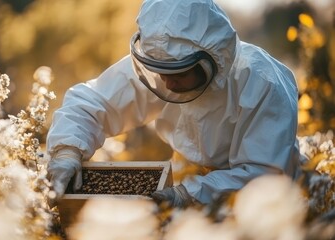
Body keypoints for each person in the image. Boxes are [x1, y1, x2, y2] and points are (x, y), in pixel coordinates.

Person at [46, 0, 302, 208]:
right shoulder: (163, 64)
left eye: (178, 74)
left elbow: (265, 175)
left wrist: (190, 195)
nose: (167, 84)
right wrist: (67, 149)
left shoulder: (263, 82)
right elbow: (93, 101)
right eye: (160, 72)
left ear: (209, 61)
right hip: (184, 182)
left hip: (260, 211)